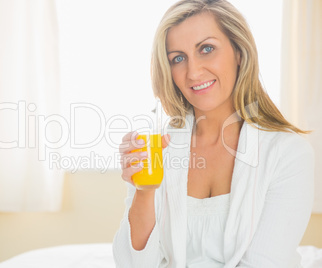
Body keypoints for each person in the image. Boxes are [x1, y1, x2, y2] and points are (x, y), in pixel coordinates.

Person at [112, 0, 315, 267]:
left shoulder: (287, 153)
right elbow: (132, 264)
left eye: (207, 49)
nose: (193, 72)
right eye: (178, 58)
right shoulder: (157, 151)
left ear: (239, 52)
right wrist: (144, 191)